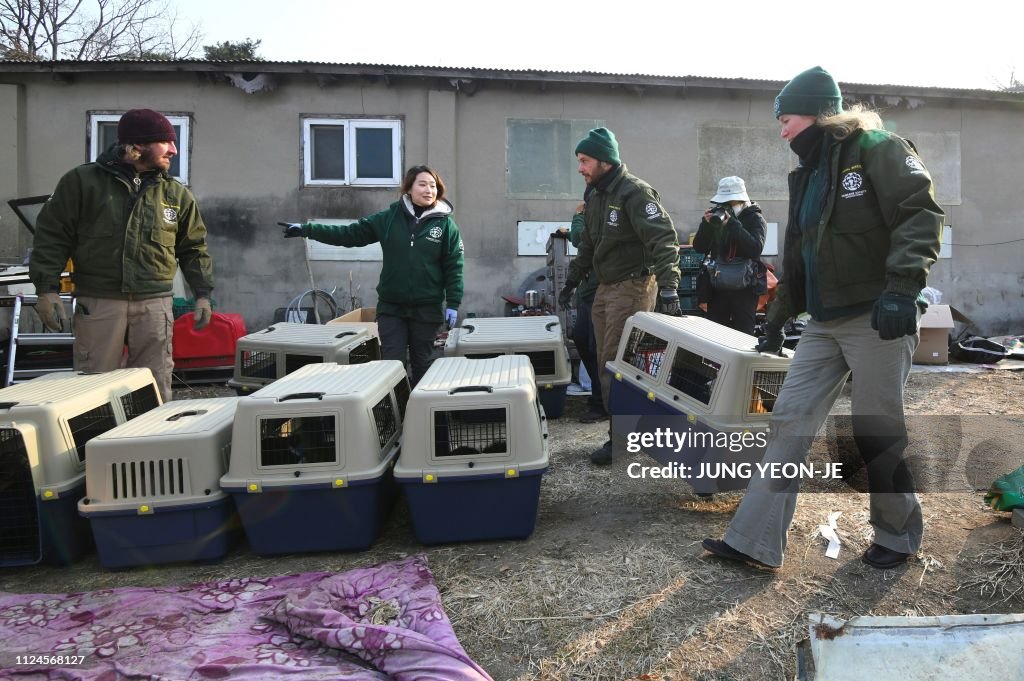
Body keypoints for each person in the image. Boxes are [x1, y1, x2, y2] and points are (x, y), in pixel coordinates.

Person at [702, 66, 943, 570]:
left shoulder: (878, 149)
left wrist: (902, 288)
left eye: (785, 119)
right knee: (788, 419)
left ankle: (897, 536)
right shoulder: (807, 175)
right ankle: (755, 540)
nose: (781, 130)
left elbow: (919, 214)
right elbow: (799, 255)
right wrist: (779, 315)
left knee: (876, 428)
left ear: (815, 113)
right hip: (823, 321)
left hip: (877, 314)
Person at [29, 108, 214, 403]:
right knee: (92, 388)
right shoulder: (82, 182)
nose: (174, 149)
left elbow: (193, 248)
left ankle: (149, 444)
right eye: (166, 142)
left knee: (155, 384)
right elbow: (52, 236)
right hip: (100, 301)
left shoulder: (175, 194)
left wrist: (202, 293)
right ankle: (94, 446)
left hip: (155, 303)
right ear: (137, 146)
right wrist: (46, 290)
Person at [559, 127, 681, 465]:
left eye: (585, 161)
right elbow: (589, 245)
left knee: (618, 362)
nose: (580, 168)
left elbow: (664, 239)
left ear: (604, 161)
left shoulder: (634, 193)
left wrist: (669, 286)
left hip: (633, 285)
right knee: (605, 362)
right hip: (605, 286)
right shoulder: (597, 195)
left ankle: (623, 440)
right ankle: (625, 433)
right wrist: (571, 281)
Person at [282, 165, 464, 386]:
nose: (429, 190)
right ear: (409, 188)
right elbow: (350, 234)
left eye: (433, 186)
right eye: (422, 184)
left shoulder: (445, 225)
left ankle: (418, 415)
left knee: (423, 366)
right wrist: (307, 230)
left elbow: (454, 266)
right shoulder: (389, 218)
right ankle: (395, 417)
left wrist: (453, 302)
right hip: (392, 308)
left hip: (427, 310)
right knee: (391, 367)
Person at [693, 176, 767, 334]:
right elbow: (699, 247)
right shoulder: (716, 219)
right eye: (722, 203)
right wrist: (706, 226)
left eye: (729, 203)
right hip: (718, 284)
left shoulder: (755, 218)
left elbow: (755, 249)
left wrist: (734, 225)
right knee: (716, 332)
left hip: (745, 286)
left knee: (743, 333)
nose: (725, 207)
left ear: (741, 201)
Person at [563, 197, 608, 423]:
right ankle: (598, 397)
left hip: (601, 293)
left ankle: (602, 403)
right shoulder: (593, 219)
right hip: (587, 292)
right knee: (582, 340)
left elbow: (581, 238)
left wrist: (578, 216)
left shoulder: (603, 218)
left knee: (596, 347)